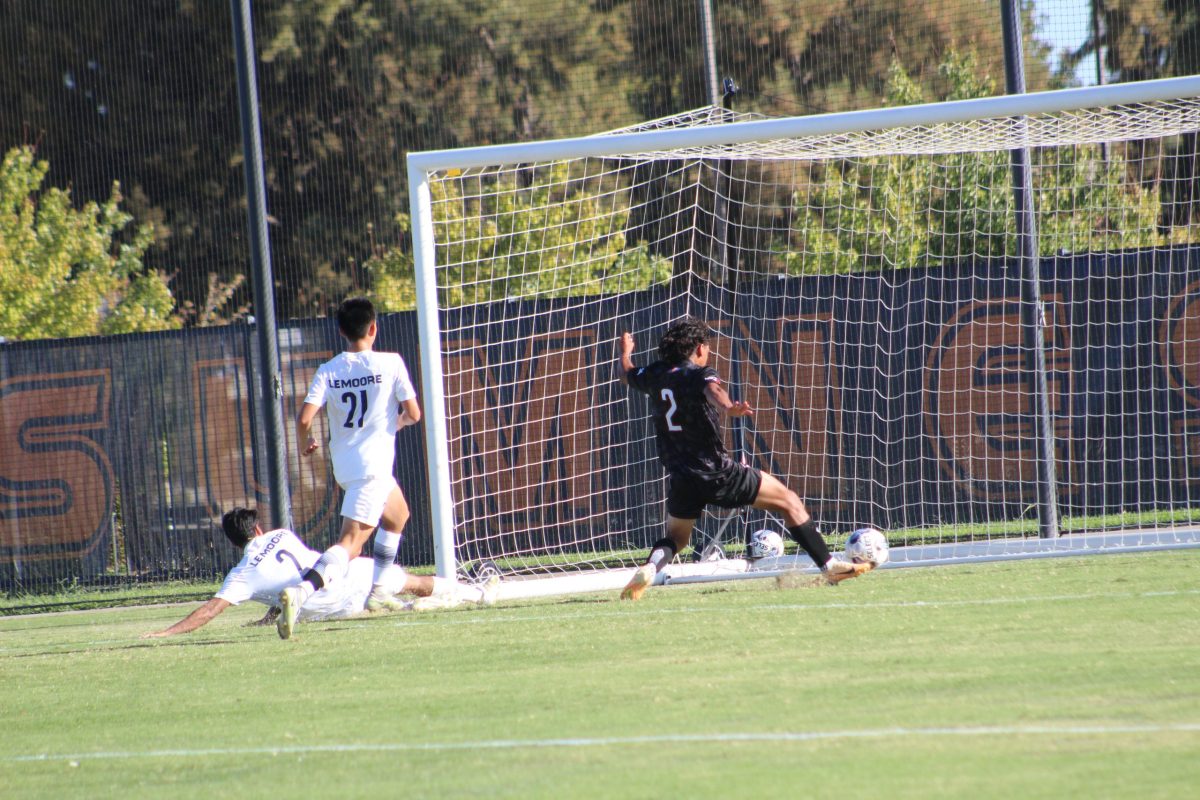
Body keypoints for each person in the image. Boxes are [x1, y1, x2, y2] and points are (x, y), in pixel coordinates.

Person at [617, 316, 871, 600]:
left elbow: (627, 373)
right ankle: (829, 566)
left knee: (676, 539)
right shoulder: (698, 374)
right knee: (789, 501)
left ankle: (651, 568)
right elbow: (714, 391)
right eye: (708, 347)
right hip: (718, 473)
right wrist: (729, 407)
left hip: (682, 477)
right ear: (699, 348)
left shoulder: (654, 374)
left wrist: (626, 350)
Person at [282, 296, 424, 639]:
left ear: (341, 331)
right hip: (372, 468)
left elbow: (304, 418)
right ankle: (301, 593)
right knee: (351, 544)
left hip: (345, 467)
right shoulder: (390, 362)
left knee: (398, 514)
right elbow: (414, 413)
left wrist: (305, 442)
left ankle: (378, 592)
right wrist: (397, 422)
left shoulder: (329, 369)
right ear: (373, 328)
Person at [142, 508, 496, 639]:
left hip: (337, 607)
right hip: (352, 574)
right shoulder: (281, 535)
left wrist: (164, 632)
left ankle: (407, 609)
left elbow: (209, 610)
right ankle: (476, 593)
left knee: (384, 603)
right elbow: (288, 573)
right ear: (260, 528)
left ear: (235, 543)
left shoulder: (241, 575)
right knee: (415, 583)